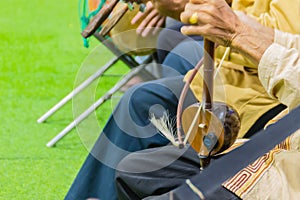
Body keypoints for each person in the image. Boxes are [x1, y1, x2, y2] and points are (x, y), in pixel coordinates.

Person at [65, 0, 299, 199]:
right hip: (232, 80)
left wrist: (195, 10)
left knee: (144, 99)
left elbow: (280, 46)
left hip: (267, 104)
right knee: (136, 160)